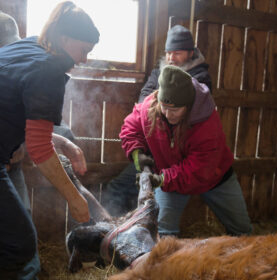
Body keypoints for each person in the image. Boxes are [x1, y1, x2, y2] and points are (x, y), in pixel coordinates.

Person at [0, 2, 99, 279]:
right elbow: (39, 149)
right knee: (20, 244)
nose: (84, 60)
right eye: (84, 51)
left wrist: (63, 143)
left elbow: (18, 117)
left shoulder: (32, 45)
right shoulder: (50, 71)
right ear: (65, 39)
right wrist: (75, 199)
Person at [119, 65, 252, 237]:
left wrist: (161, 179)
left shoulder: (206, 123)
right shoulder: (150, 108)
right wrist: (137, 154)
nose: (168, 114)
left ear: (188, 106)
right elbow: (131, 127)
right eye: (164, 107)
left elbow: (199, 168)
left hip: (215, 178)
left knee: (242, 230)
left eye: (175, 110)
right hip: (169, 181)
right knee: (163, 232)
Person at [102, 25, 211, 216]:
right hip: (153, 150)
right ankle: (116, 232)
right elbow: (145, 98)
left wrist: (157, 108)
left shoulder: (200, 79)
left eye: (177, 53)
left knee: (162, 208)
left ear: (190, 53)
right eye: (168, 53)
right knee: (117, 189)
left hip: (178, 158)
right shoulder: (159, 71)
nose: (171, 58)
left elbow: (179, 115)